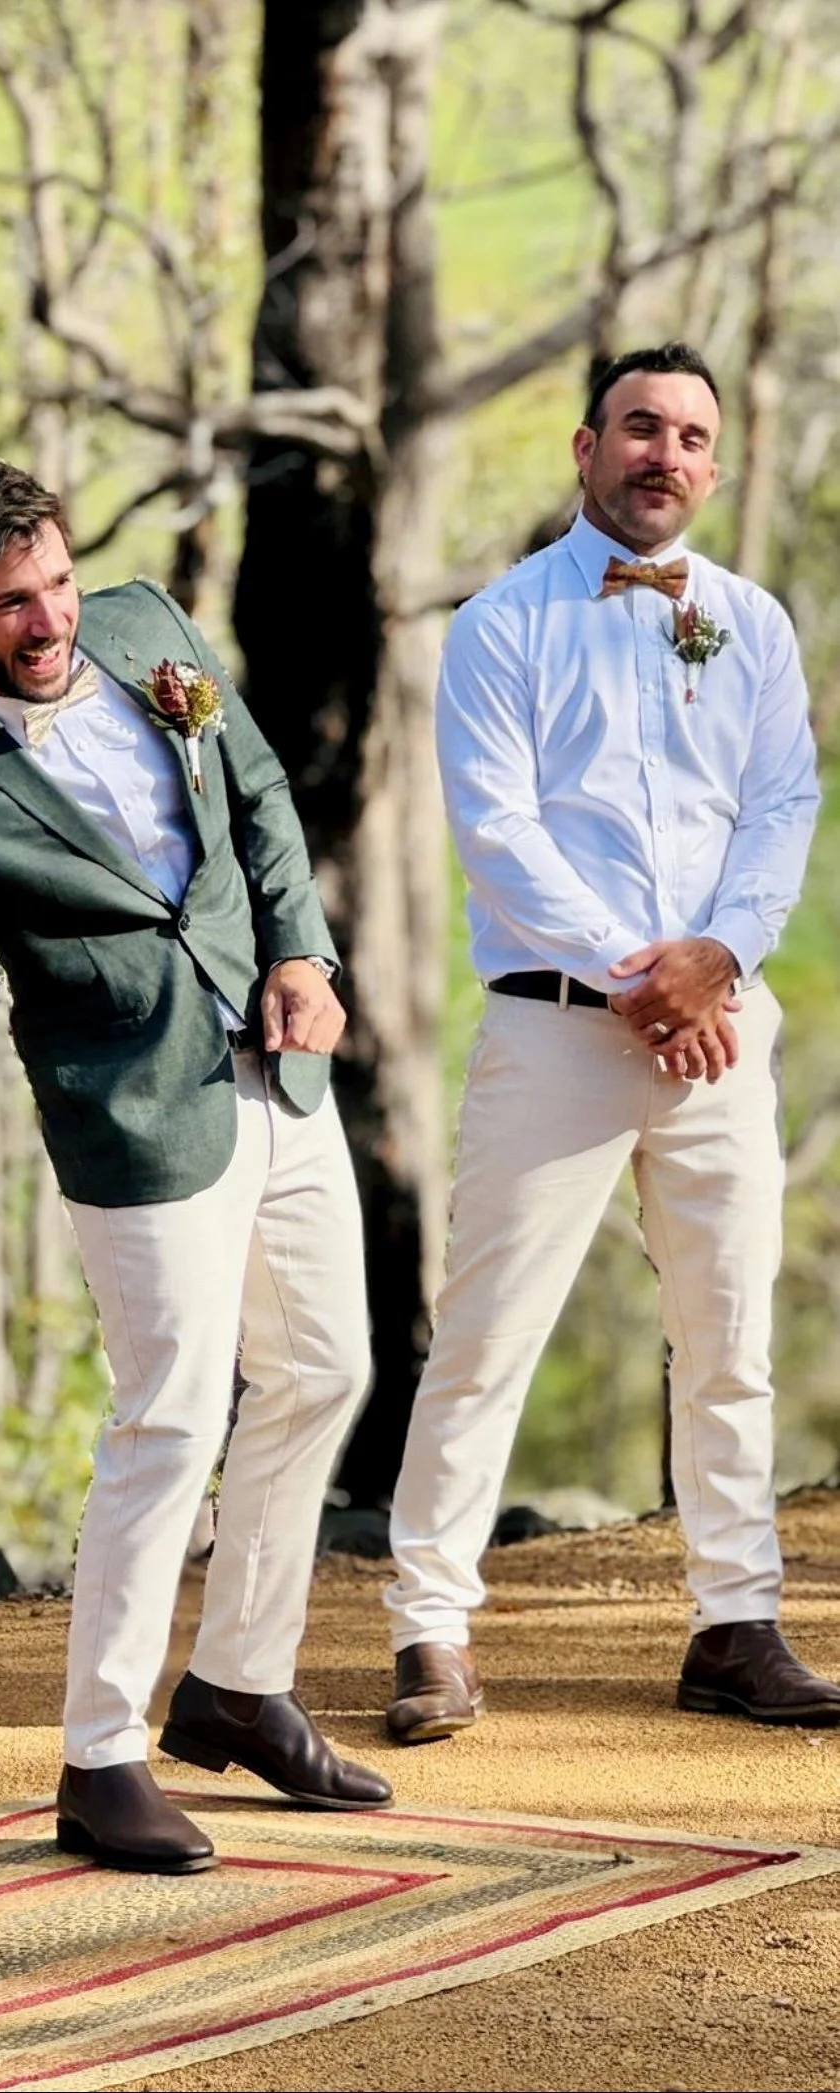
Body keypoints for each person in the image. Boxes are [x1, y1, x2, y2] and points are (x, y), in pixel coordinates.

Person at [0, 457, 390, 1872]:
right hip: (134, 1118)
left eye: (59, 583)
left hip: (275, 1056)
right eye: (11, 604)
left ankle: (240, 1686)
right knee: (171, 1420)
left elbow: (257, 798)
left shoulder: (149, 627)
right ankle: (99, 1760)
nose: (51, 620)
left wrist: (304, 956)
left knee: (325, 1369)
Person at [384, 341, 840, 1745]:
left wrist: (719, 961)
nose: (665, 454)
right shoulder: (502, 623)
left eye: (690, 436)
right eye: (640, 427)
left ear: (714, 464)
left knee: (728, 1337)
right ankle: (429, 1628)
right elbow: (497, 827)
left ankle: (735, 1623)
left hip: (720, 1031)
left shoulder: (752, 623)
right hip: (556, 1031)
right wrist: (640, 979)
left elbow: (783, 806)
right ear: (585, 449)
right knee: (485, 1335)